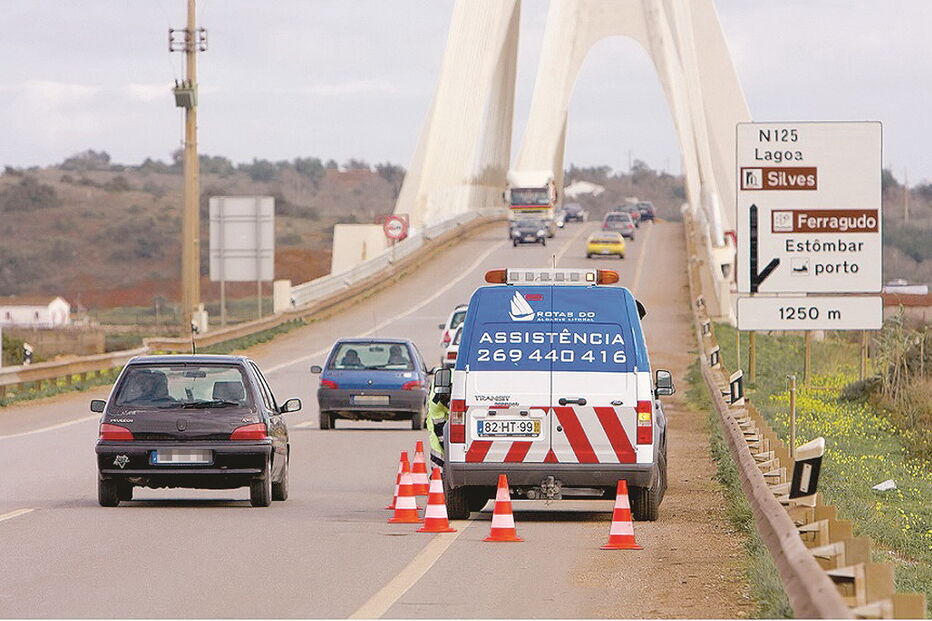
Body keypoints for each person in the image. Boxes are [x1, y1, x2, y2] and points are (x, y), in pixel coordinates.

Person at [426, 378, 450, 470]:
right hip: (436, 431)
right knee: (438, 452)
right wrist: (447, 446)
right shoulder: (435, 403)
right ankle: (437, 473)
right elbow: (439, 429)